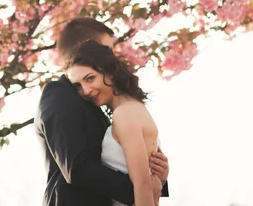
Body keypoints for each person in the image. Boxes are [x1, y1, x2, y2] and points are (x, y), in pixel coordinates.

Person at [34, 17, 168, 206]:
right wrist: (143, 187)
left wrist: (159, 178)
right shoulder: (59, 93)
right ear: (88, 50)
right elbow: (76, 167)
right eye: (108, 50)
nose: (112, 58)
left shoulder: (104, 107)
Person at [66, 39, 162, 206]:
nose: (86, 91)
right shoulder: (133, 108)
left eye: (90, 78)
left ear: (109, 70)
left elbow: (143, 184)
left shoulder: (124, 113)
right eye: (78, 86)